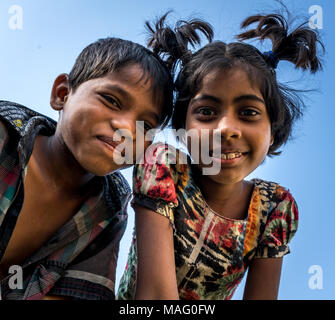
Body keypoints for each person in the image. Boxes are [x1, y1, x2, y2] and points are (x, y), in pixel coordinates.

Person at [117, 11, 324, 300]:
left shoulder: (274, 209)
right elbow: (153, 297)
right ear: (182, 127)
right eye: (207, 112)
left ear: (273, 130)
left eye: (248, 113)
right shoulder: (163, 168)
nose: (226, 128)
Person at [0, 14, 207, 299]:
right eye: (111, 100)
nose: (126, 128)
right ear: (62, 94)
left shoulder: (107, 214)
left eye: (146, 126)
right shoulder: (5, 137)